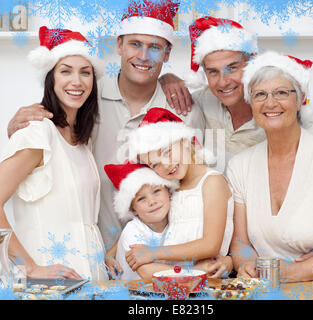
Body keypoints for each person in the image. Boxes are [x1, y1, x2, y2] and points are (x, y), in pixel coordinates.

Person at [6, 0, 205, 251]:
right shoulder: (85, 99)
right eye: (135, 44)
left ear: (167, 54)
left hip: (164, 259)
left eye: (154, 47)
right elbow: (51, 136)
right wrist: (16, 129)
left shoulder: (184, 110)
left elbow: (195, 189)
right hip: (93, 257)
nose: (143, 56)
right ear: (119, 44)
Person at [0, 26, 108, 280]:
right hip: (49, 284)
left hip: (88, 280)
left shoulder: (81, 140)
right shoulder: (37, 133)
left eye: (85, 72)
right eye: (65, 71)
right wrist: (30, 267)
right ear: (50, 78)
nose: (77, 81)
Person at [227, 51, 313, 282]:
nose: (270, 103)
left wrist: (300, 271)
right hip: (264, 291)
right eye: (260, 94)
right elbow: (240, 243)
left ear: (300, 100)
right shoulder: (239, 166)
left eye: (281, 92)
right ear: (251, 103)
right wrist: (247, 265)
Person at [161, 16, 313, 174]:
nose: (223, 82)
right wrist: (164, 79)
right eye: (213, 72)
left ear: (251, 66)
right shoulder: (200, 102)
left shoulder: (275, 111)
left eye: (232, 68)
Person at [124, 107, 233, 276]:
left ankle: (193, 274)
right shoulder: (173, 190)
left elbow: (211, 245)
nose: (166, 164)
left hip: (208, 279)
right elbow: (148, 223)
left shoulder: (212, 182)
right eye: (155, 164)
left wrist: (153, 252)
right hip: (176, 279)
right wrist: (110, 253)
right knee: (144, 271)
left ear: (184, 141)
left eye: (167, 152)